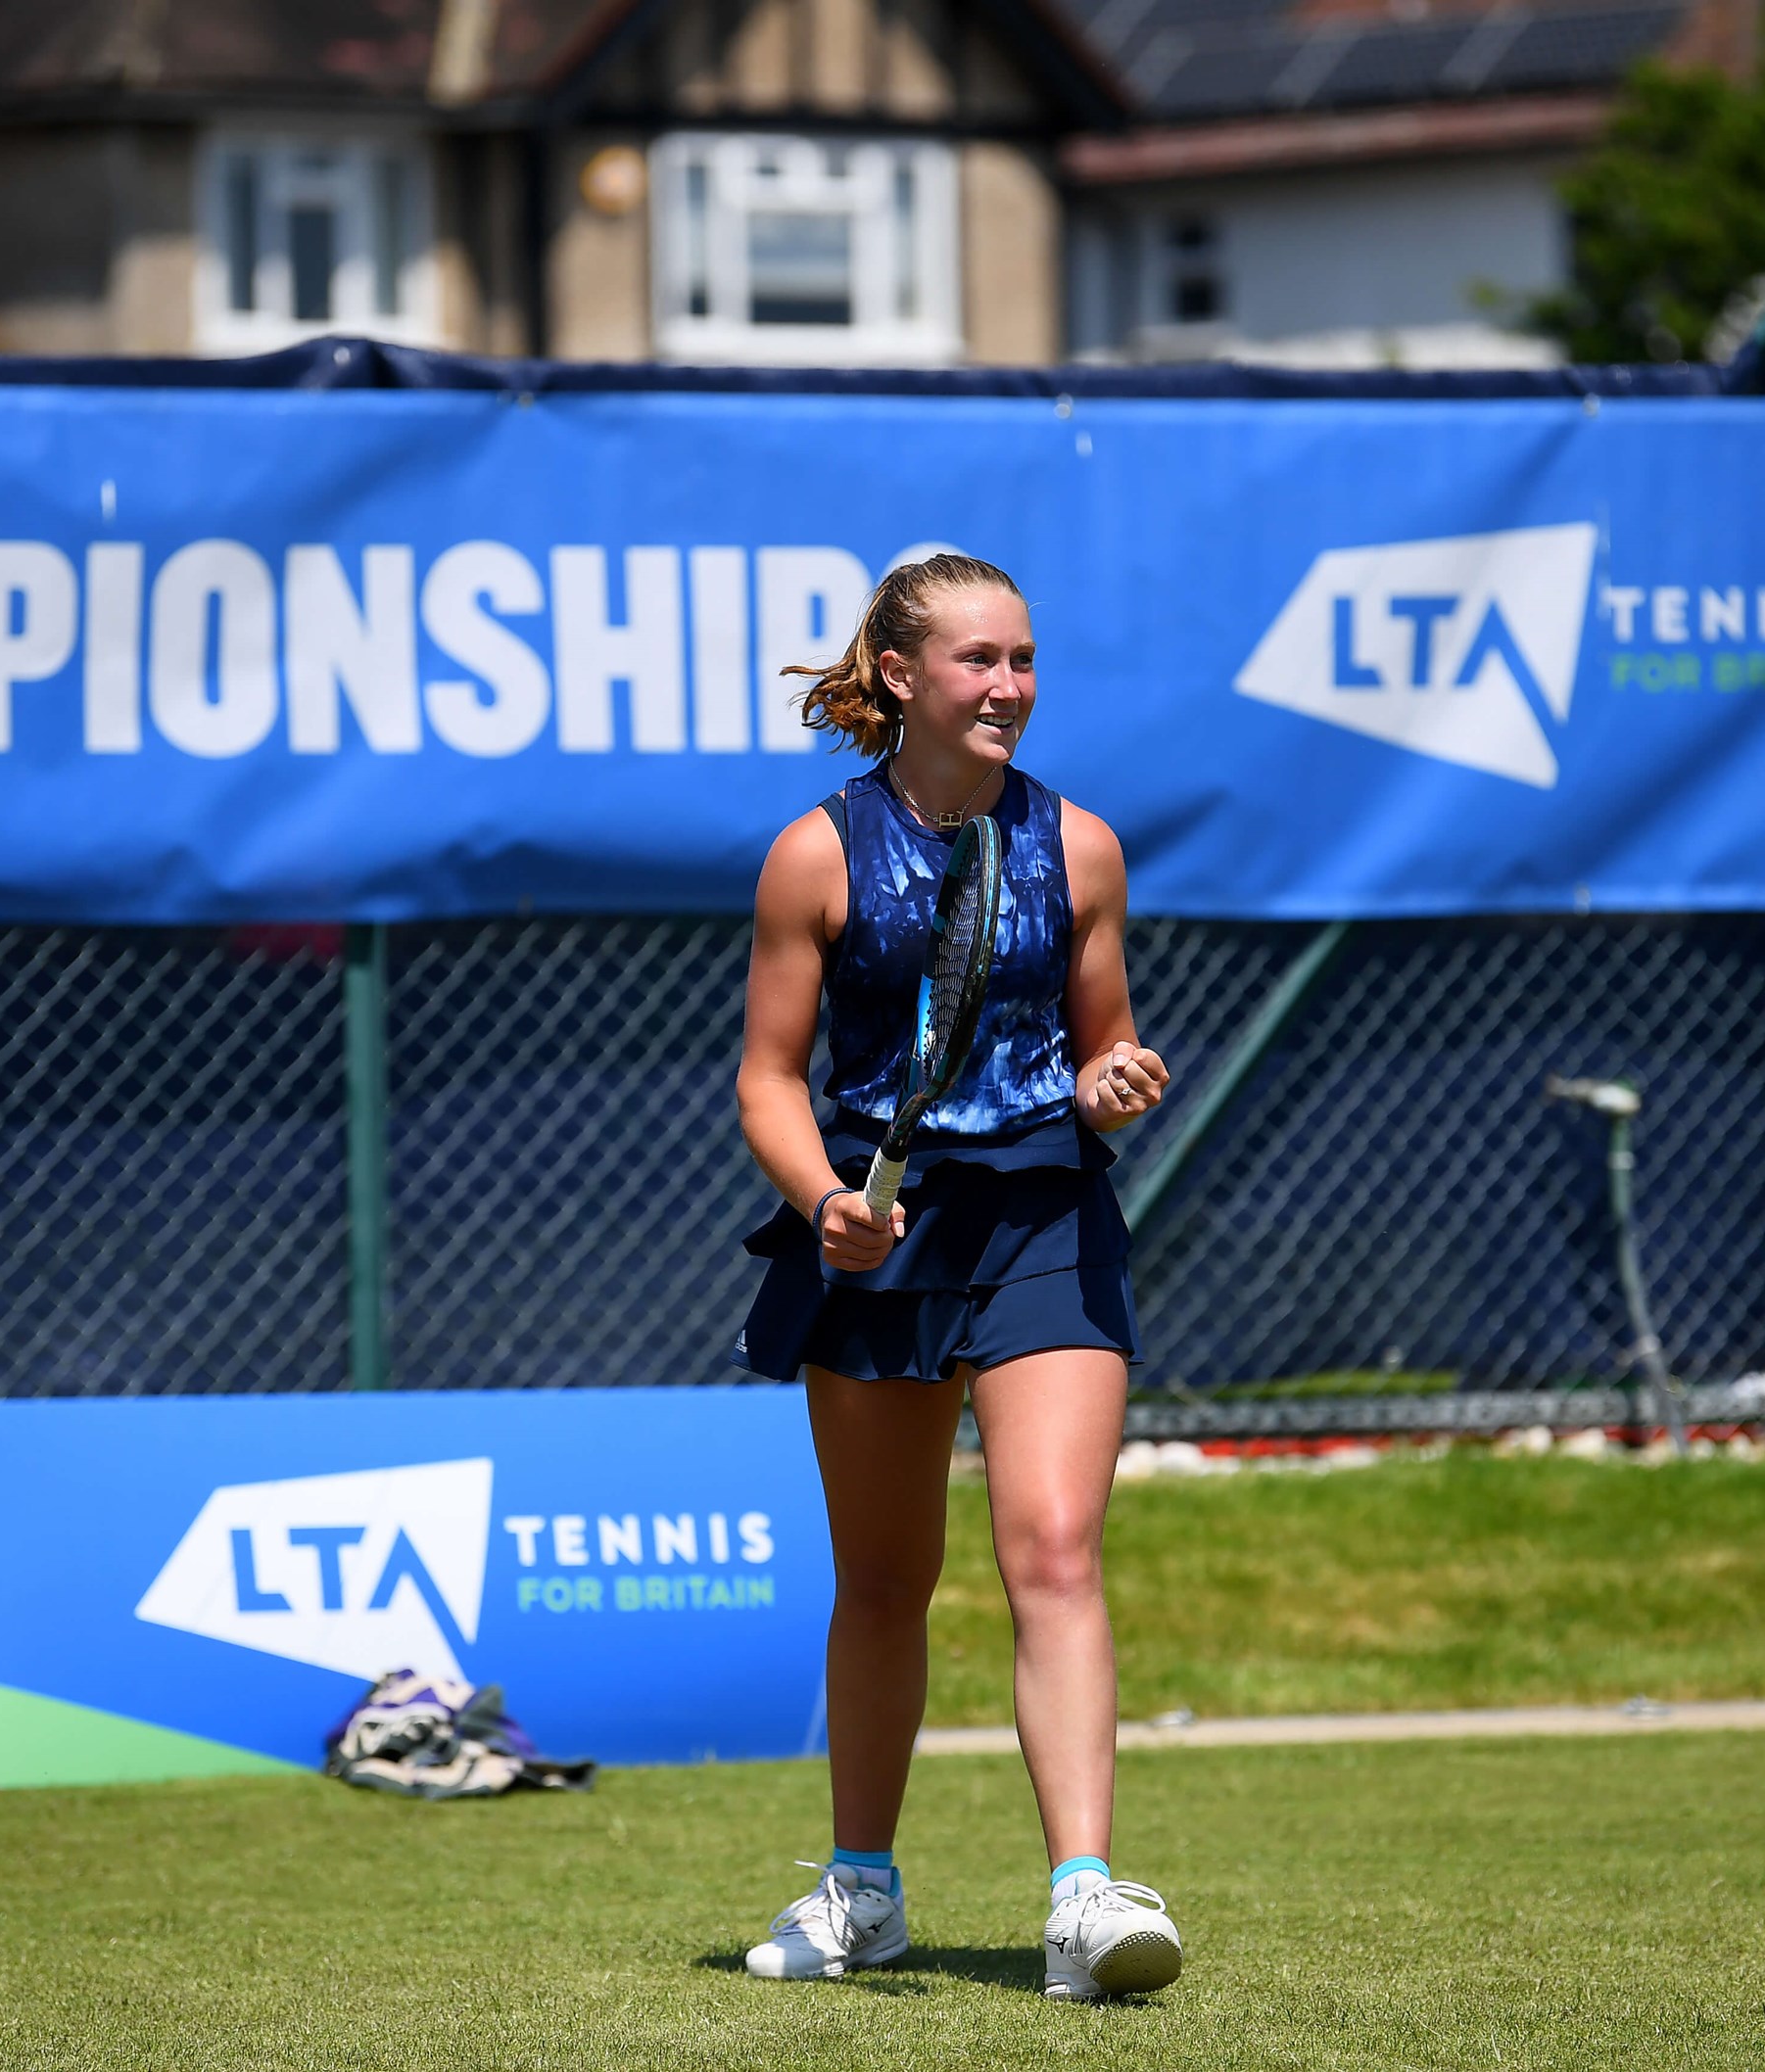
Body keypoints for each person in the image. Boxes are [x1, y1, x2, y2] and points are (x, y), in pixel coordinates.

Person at [729, 552, 1181, 2001]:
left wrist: (1115, 1084)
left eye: (1026, 660)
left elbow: (1103, 1042)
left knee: (1053, 1546)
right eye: (980, 661)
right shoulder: (816, 854)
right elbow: (768, 1081)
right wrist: (822, 1204)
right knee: (884, 1577)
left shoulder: (1083, 846)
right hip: (881, 1231)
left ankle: (1084, 1901)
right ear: (904, 676)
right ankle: (862, 1889)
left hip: (1045, 1213)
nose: (1010, 688)